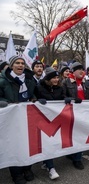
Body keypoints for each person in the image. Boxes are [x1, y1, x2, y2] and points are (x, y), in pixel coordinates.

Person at [0, 56, 36, 184]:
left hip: (27, 118)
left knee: (28, 144)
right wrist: (4, 102)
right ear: (11, 66)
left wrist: (34, 100)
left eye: (22, 63)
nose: (20, 65)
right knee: (14, 146)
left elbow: (32, 95)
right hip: (11, 119)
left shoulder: (30, 80)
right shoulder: (2, 81)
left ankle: (27, 168)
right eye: (17, 63)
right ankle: (16, 173)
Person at [63, 61, 89, 170]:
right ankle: (71, 153)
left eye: (83, 69)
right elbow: (62, 96)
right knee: (71, 135)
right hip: (71, 113)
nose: (82, 71)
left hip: (84, 112)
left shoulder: (85, 82)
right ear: (73, 71)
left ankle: (77, 159)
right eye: (80, 69)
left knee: (80, 135)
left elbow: (88, 93)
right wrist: (72, 100)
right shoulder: (66, 82)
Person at [34, 67, 63, 180]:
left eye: (57, 77)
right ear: (48, 79)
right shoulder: (39, 87)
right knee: (47, 143)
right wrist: (36, 100)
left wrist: (68, 99)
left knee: (52, 142)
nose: (56, 80)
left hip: (55, 120)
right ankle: (51, 168)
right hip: (42, 120)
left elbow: (62, 97)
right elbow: (32, 99)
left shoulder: (59, 88)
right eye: (54, 78)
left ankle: (46, 162)